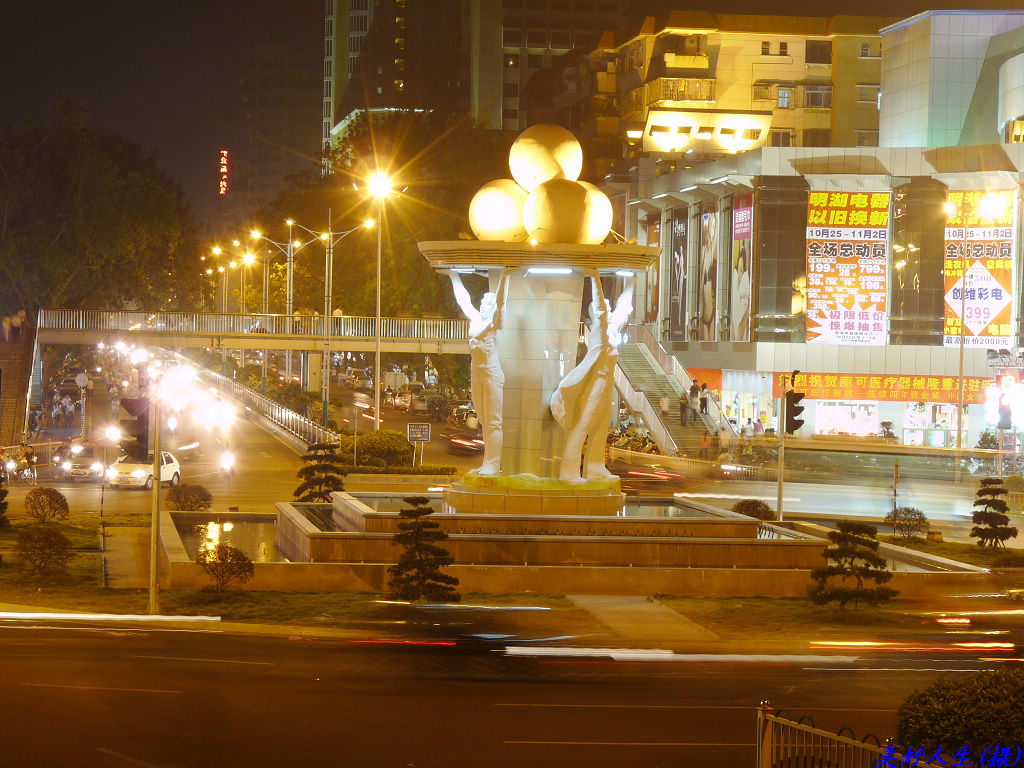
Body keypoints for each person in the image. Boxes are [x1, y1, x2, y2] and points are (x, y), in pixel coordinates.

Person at [551, 270, 636, 484]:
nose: (609, 310)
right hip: (594, 385)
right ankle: (568, 472)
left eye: (609, 308)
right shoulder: (600, 331)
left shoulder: (612, 331)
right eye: (605, 309)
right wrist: (594, 277)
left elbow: (623, 307)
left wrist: (633, 281)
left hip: (607, 385)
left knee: (600, 427)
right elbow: (599, 304)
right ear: (598, 314)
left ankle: (595, 468)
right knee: (583, 425)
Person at [448, 267, 514, 477]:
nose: (484, 306)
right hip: (476, 374)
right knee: (484, 421)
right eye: (483, 303)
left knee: (494, 422)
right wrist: (453, 275)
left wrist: (505, 276)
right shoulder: (476, 319)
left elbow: (502, 302)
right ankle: (487, 462)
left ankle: (493, 464)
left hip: (491, 374)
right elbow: (463, 300)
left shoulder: (495, 323)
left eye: (488, 304)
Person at [731, 245, 751, 342]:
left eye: (742, 270)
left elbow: (745, 314)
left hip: (742, 336)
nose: (740, 274)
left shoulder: (745, 287)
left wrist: (738, 338)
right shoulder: (733, 283)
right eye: (739, 269)